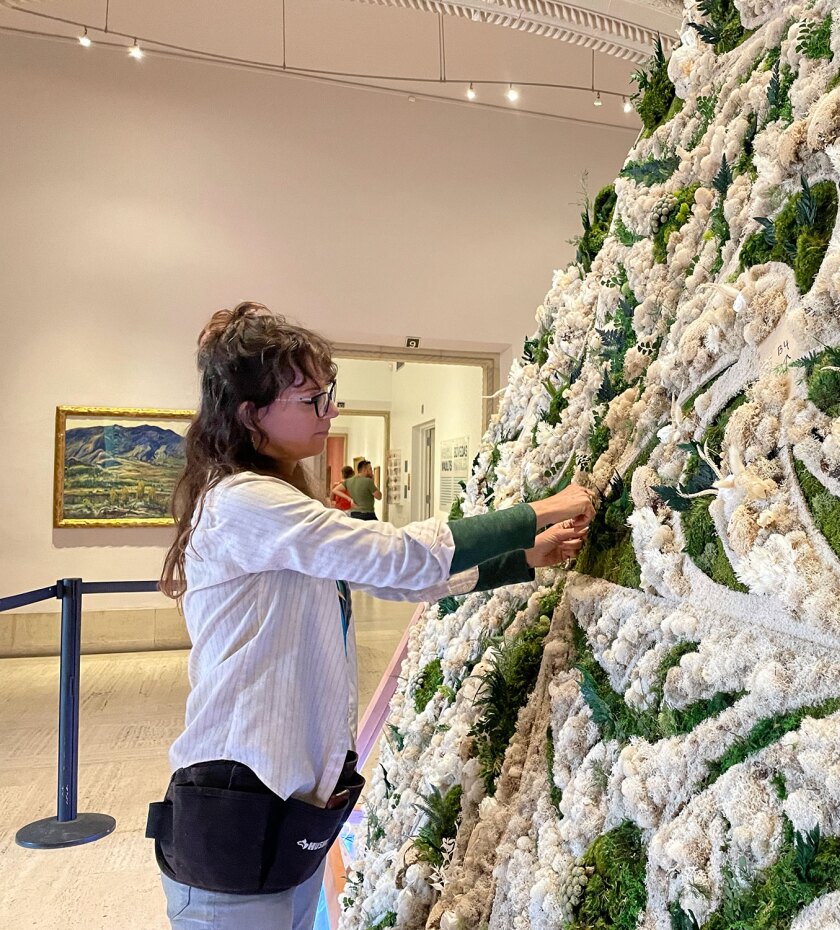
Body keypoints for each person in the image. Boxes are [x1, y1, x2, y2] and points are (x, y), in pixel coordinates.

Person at [148, 302, 595, 930]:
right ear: (251, 414)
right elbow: (398, 555)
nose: (327, 412)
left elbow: (393, 577)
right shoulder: (245, 502)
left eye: (328, 394)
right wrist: (541, 510)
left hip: (283, 810)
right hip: (239, 804)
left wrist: (523, 559)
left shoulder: (274, 497)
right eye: (310, 400)